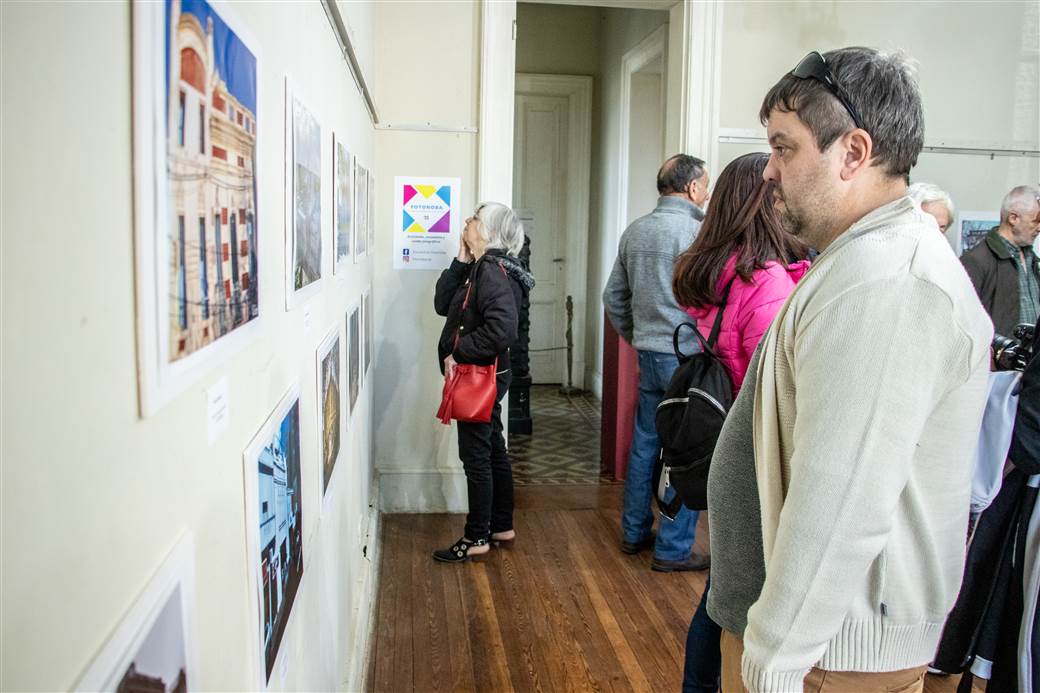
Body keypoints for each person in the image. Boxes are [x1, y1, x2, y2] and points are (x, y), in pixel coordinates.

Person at [711, 47, 992, 693]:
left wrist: (774, 665)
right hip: (809, 641)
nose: (769, 172)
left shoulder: (889, 280)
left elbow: (842, 498)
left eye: (785, 149)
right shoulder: (860, 260)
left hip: (826, 654)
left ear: (853, 152)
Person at [671, 151, 810, 692]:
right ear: (766, 204)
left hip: (717, 440)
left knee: (719, 592)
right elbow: (776, 385)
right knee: (729, 601)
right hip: (752, 453)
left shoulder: (713, 270)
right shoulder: (765, 280)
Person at [603, 154, 712, 572]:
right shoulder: (699, 232)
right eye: (706, 185)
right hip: (685, 357)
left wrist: (637, 336)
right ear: (692, 189)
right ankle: (672, 548)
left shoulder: (636, 230)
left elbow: (613, 297)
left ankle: (633, 533)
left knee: (646, 441)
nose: (707, 193)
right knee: (684, 451)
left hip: (647, 355)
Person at [432, 202, 534, 563]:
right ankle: (501, 525)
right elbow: (442, 304)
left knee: (476, 455)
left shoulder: (491, 270)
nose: (467, 222)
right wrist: (461, 259)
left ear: (488, 232)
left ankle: (477, 536)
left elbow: (501, 329)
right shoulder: (484, 266)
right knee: (491, 448)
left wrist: (458, 354)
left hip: (480, 373)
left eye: (475, 218)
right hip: (492, 372)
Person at [961, 184, 1040, 338]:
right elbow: (964, 322)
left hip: (1032, 360)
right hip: (998, 360)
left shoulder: (1032, 260)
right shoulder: (975, 261)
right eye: (1035, 221)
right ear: (1013, 218)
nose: (1039, 228)